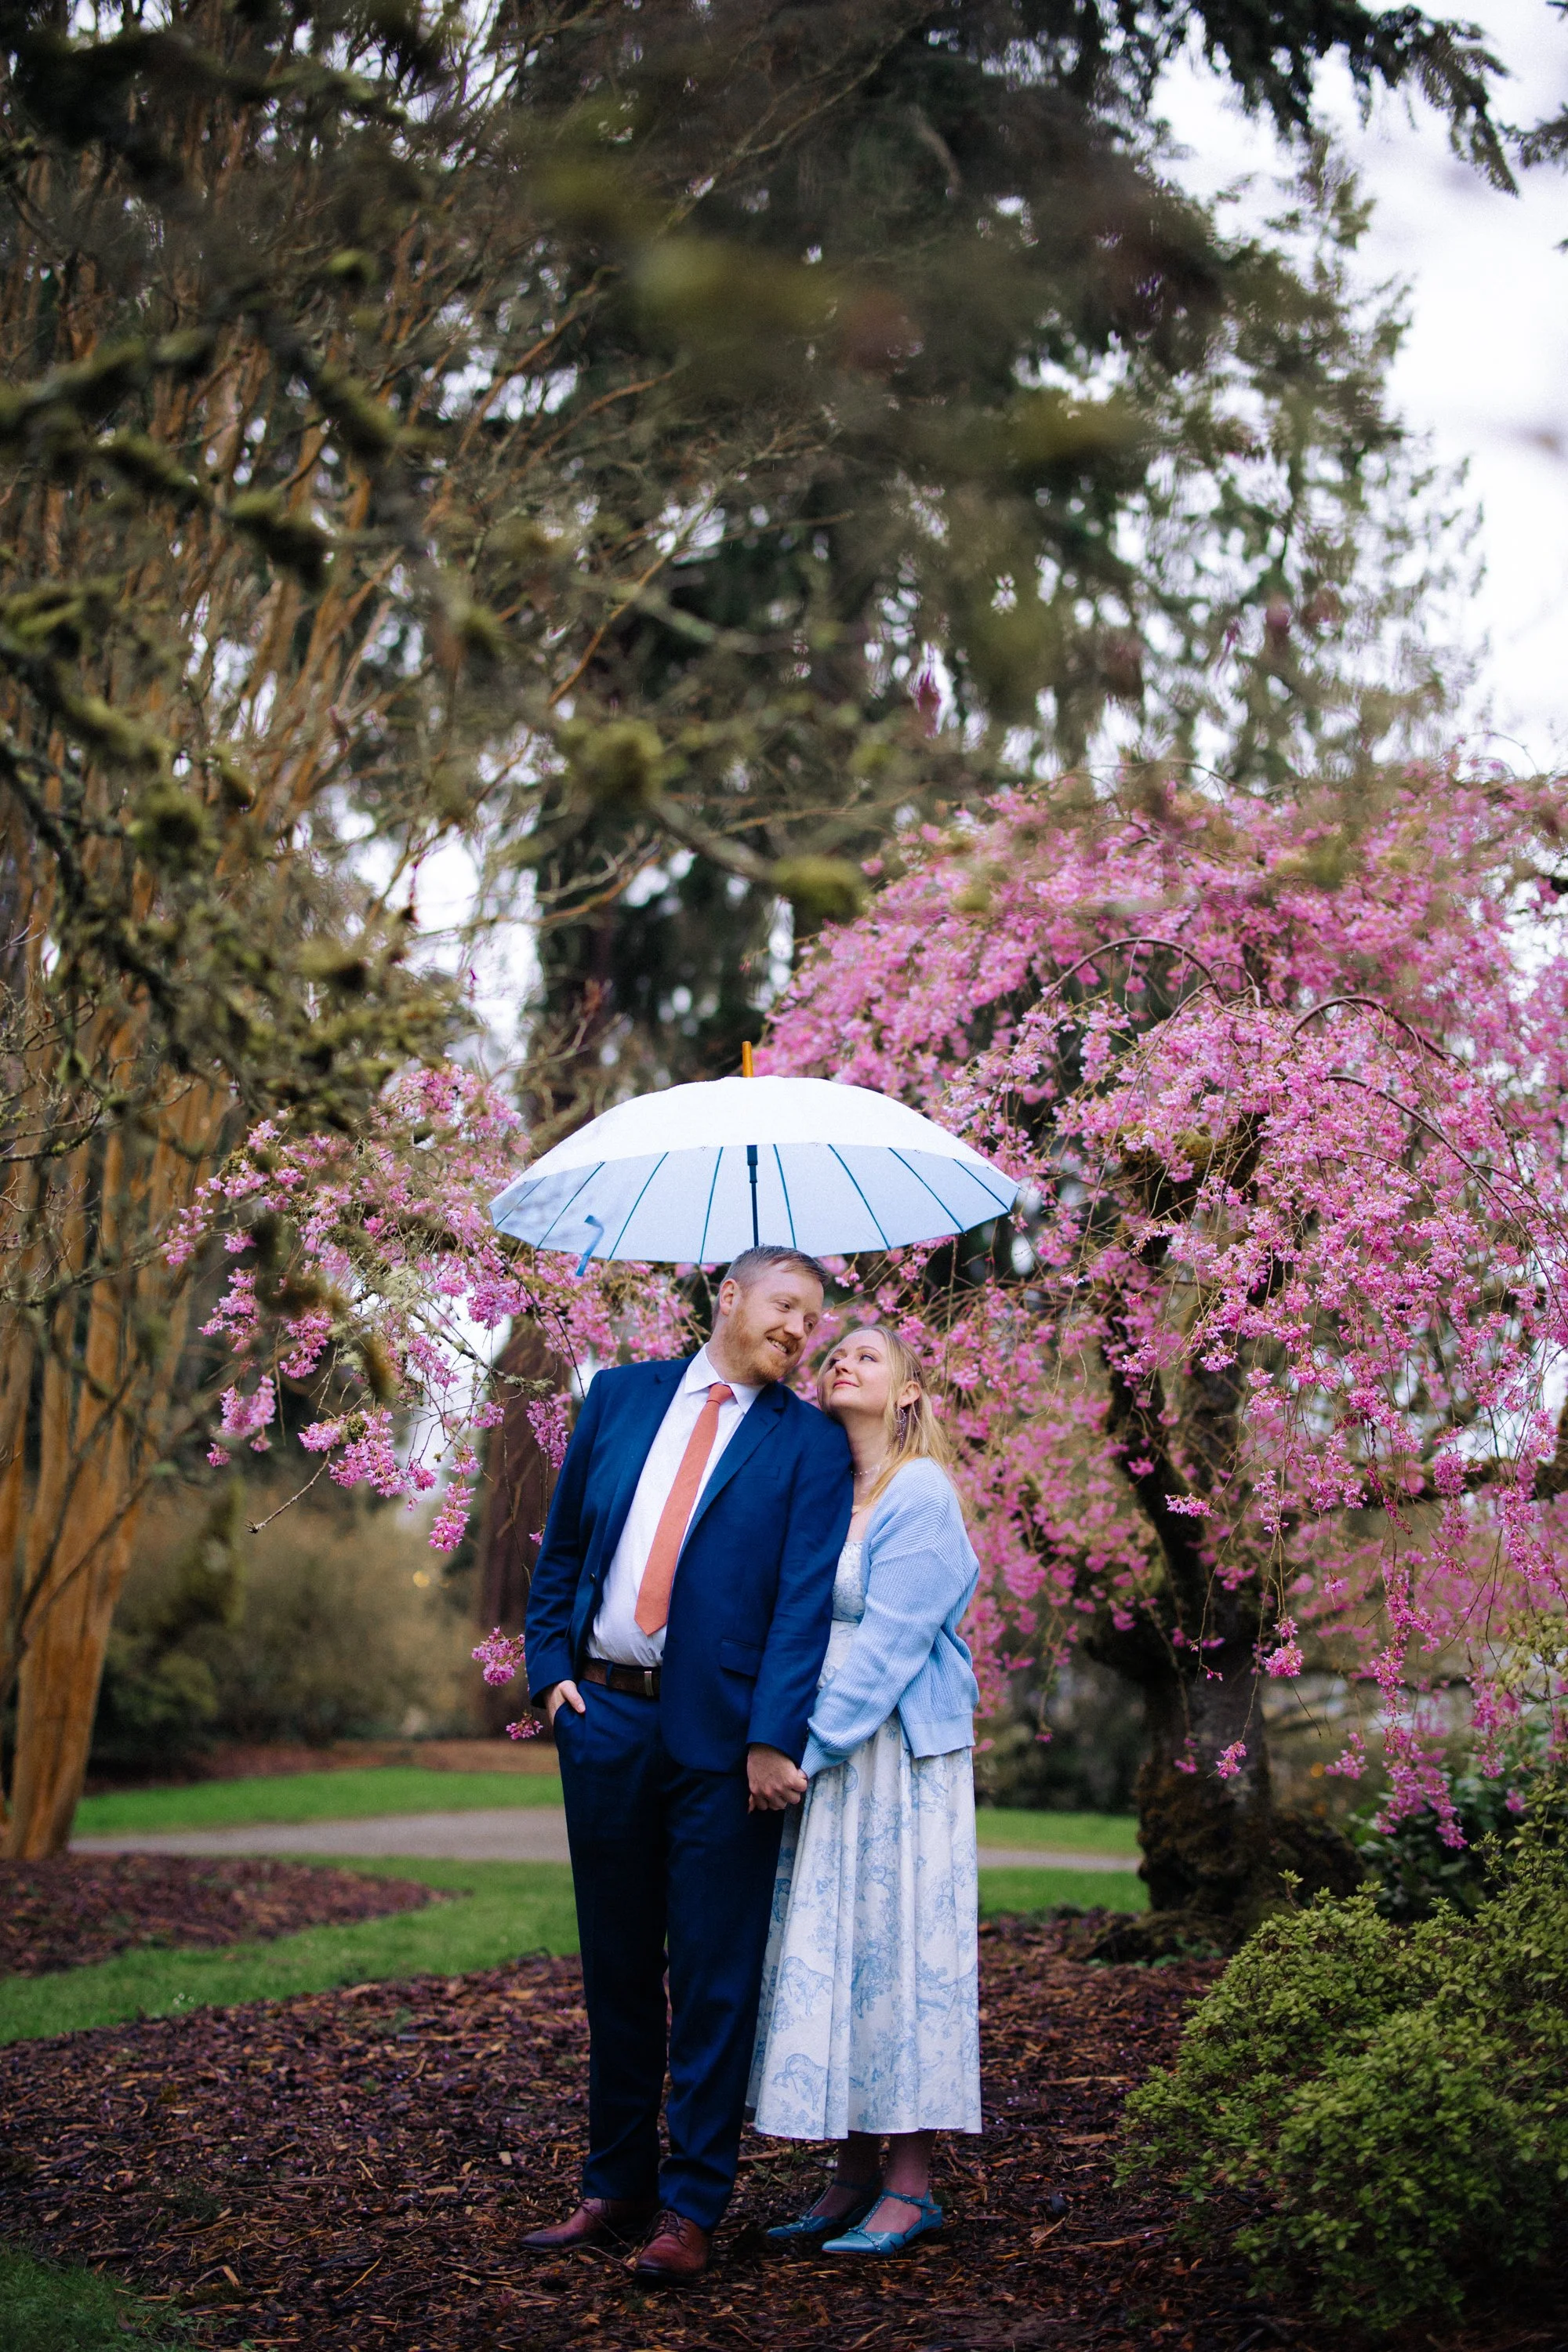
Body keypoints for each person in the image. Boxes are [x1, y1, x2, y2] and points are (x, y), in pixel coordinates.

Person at [519, 1245, 853, 2284]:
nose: (799, 1331)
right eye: (785, 1306)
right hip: (604, 1720)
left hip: (724, 1745)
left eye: (813, 1319)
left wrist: (771, 1737)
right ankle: (613, 2186)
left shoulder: (810, 1444)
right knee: (616, 1968)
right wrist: (548, 1673)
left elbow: (802, 1601)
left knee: (712, 1977)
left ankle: (690, 2205)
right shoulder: (619, 1397)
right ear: (729, 1296)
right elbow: (562, 1552)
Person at [749, 1322, 982, 2254]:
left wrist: (805, 1750)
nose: (840, 1361)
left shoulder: (918, 1491)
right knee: (840, 1949)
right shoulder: (824, 1491)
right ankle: (849, 2175)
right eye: (832, 1355)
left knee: (897, 1952)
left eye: (867, 1356)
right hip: (821, 1752)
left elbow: (891, 1643)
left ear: (908, 1393)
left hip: (891, 1757)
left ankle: (910, 2186)